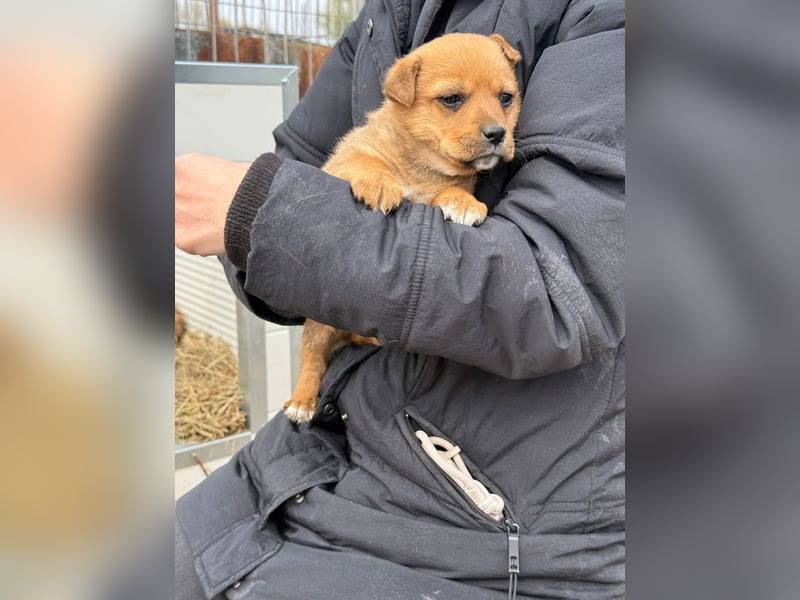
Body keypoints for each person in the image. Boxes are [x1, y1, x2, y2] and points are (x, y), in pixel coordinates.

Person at [174, 0, 625, 598]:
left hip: (491, 525)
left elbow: (555, 291)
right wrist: (256, 228)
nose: (494, 122)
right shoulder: (385, 16)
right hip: (326, 449)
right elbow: (295, 172)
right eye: (454, 100)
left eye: (506, 101)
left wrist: (274, 220)